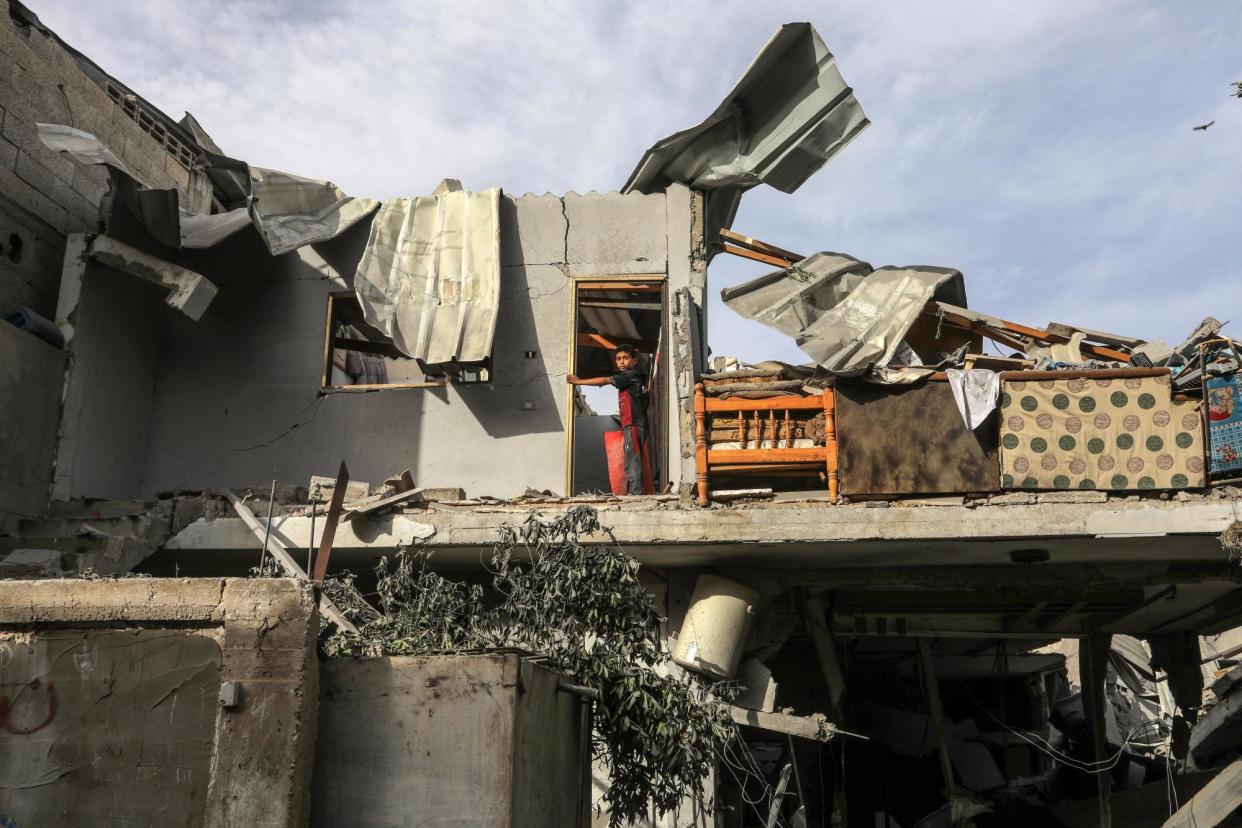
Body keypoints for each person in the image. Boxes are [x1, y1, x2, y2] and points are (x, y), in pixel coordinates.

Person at [567, 344, 649, 494]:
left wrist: (579, 382)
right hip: (632, 424)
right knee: (631, 461)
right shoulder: (629, 377)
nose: (622, 362)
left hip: (634, 424)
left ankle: (636, 494)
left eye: (625, 358)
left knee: (632, 461)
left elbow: (605, 380)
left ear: (634, 361)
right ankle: (635, 492)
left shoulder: (630, 375)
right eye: (618, 359)